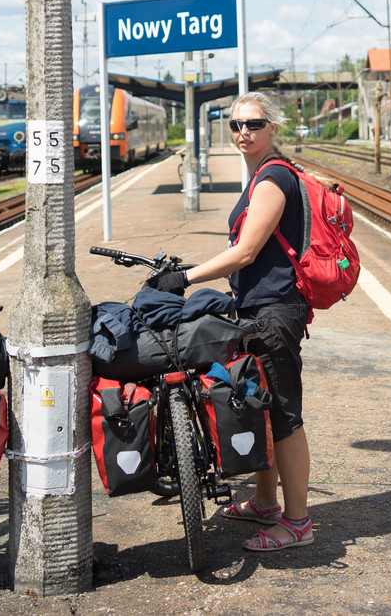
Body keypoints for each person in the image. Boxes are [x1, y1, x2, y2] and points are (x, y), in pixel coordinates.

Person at [147, 91, 313, 551]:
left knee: (284, 414)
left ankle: (297, 522)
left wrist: (183, 277)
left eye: (254, 124)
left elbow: (246, 252)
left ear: (272, 128)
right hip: (258, 309)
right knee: (260, 406)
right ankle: (265, 501)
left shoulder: (274, 178)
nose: (244, 132)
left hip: (275, 312)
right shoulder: (260, 174)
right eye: (236, 124)